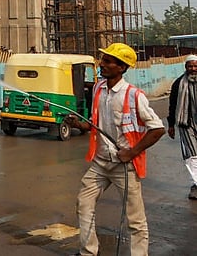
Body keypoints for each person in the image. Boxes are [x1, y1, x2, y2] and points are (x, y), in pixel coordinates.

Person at [65, 42, 165, 256]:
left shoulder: (133, 95)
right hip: (101, 163)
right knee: (84, 204)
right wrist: (79, 125)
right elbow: (95, 122)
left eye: (108, 61)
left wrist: (131, 152)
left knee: (135, 219)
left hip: (124, 166)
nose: (102, 64)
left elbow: (157, 129)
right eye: (103, 59)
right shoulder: (99, 88)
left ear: (122, 67)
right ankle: (89, 252)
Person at [166, 54, 197, 200]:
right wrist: (171, 124)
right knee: (191, 155)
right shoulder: (178, 83)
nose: (193, 69)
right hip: (186, 123)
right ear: (185, 67)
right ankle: (196, 184)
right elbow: (172, 105)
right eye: (190, 66)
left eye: (195, 66)